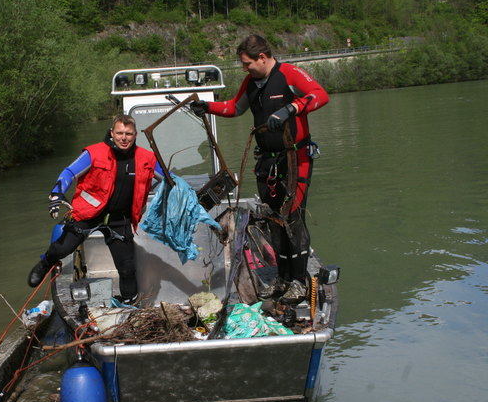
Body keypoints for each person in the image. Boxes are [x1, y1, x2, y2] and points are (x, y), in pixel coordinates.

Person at [190, 34, 329, 285]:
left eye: (247, 63)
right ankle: (283, 276)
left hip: (295, 159)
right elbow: (235, 107)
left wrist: (291, 108)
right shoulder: (251, 83)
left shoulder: (290, 74)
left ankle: (298, 278)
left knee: (293, 218)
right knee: (273, 219)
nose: (245, 68)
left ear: (262, 57)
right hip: (267, 162)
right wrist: (207, 107)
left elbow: (321, 95)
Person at [27, 114, 163, 304]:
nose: (124, 138)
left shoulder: (146, 158)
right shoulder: (94, 153)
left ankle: (128, 304)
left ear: (135, 135)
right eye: (120, 133)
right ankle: (46, 262)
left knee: (127, 268)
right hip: (88, 214)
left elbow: (171, 180)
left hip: (120, 219)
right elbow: (69, 172)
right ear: (112, 133)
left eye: (129, 134)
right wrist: (56, 193)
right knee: (63, 248)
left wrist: (188, 197)